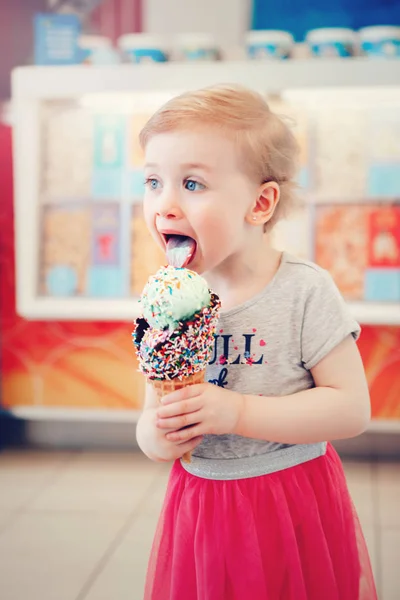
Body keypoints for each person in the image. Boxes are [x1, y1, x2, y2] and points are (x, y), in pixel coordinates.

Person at [136, 84, 377, 600]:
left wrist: (237, 413)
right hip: (200, 505)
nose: (165, 204)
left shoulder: (303, 291)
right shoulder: (167, 300)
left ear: (260, 203)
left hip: (289, 501)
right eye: (153, 181)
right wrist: (159, 438)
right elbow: (148, 417)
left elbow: (352, 409)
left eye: (193, 184)